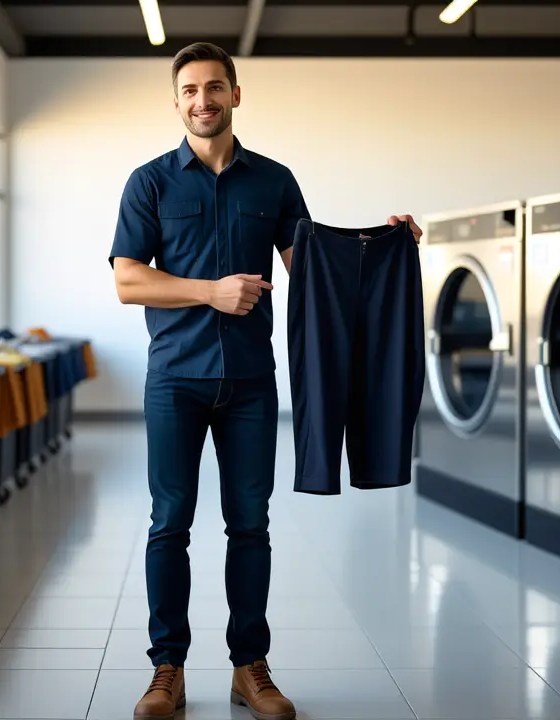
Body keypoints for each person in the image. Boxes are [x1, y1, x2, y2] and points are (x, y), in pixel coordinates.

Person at [108, 41, 422, 720]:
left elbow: (312, 270)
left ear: (235, 94)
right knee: (169, 523)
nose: (203, 100)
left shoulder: (274, 181)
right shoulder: (150, 182)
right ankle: (167, 669)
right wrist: (209, 291)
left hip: (251, 382)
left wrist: (386, 243)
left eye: (214, 87)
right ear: (176, 101)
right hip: (175, 379)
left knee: (250, 525)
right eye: (190, 90)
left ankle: (249, 667)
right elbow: (128, 281)